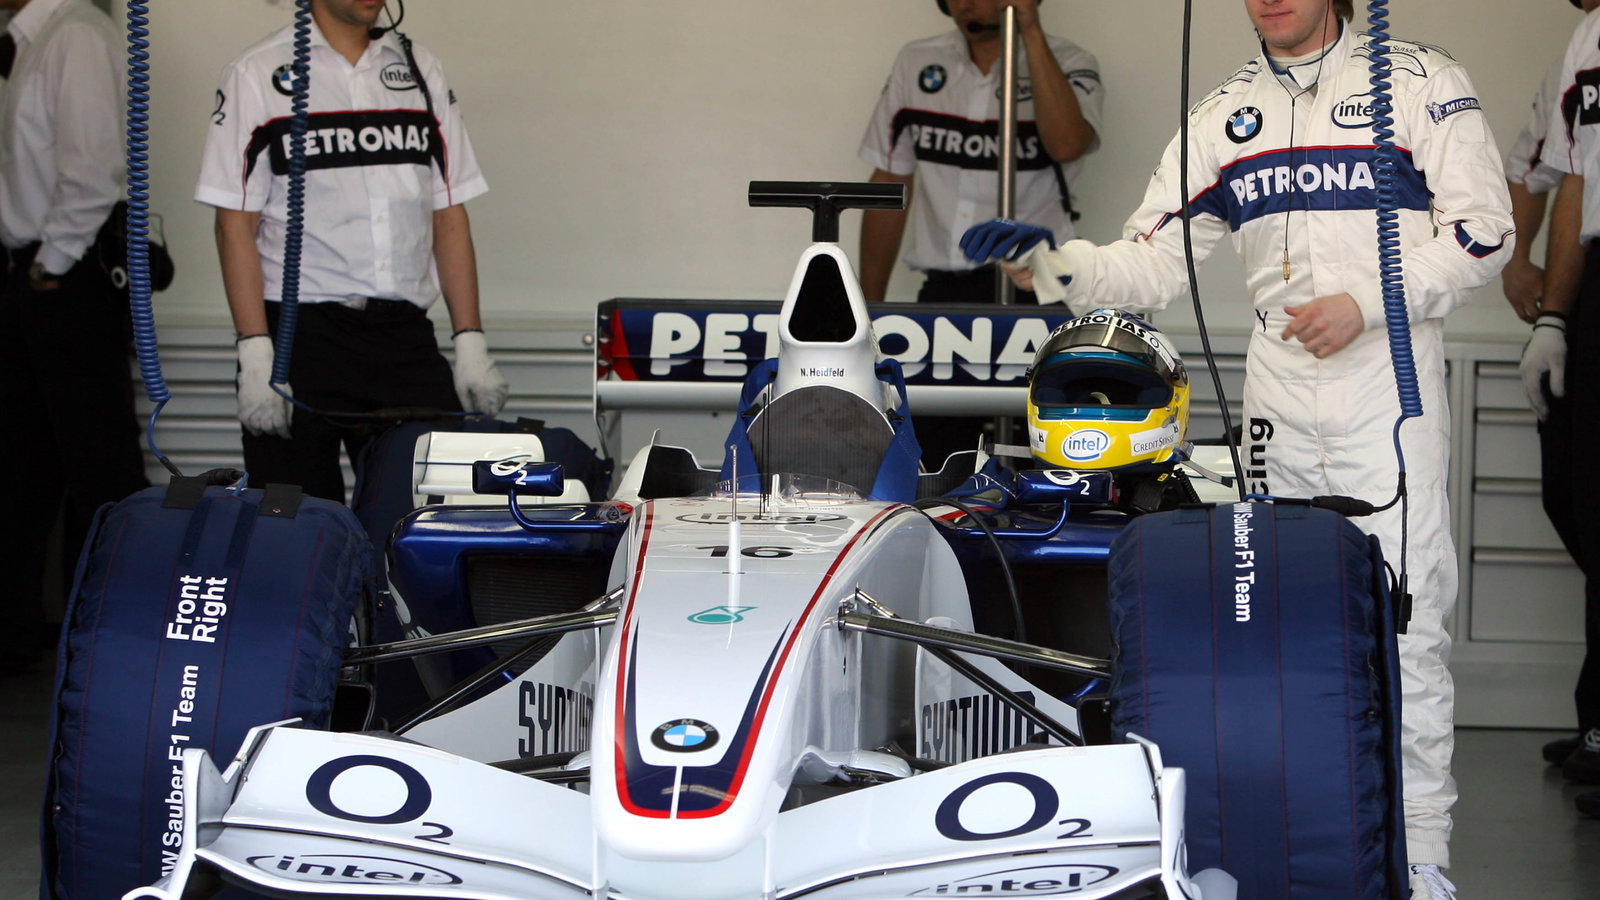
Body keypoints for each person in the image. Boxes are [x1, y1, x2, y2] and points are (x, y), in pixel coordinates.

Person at [961, 1, 1514, 896]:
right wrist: (1059, 266)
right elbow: (1151, 263)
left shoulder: (1417, 81)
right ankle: (1302, 843)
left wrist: (1368, 302)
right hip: (1276, 395)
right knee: (1285, 631)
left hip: (1388, 388)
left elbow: (1484, 229)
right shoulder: (1223, 116)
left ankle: (1421, 863)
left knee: (1406, 633)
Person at [196, 0, 507, 504]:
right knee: (290, 528)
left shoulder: (418, 68)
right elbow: (235, 224)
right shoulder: (255, 72)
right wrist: (254, 354)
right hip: (298, 339)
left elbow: (449, 212)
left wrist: (470, 343)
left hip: (402, 337)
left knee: (433, 518)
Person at [858, 0, 1103, 466]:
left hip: (1038, 289)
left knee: (1046, 450)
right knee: (932, 460)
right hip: (946, 295)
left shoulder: (1070, 63)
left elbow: (1068, 142)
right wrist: (869, 310)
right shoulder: (918, 61)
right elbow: (890, 181)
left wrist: (1029, 30)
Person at [0, 0, 149, 673]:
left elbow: (95, 168)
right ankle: (20, 632)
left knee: (97, 463)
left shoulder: (78, 35)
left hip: (66, 276)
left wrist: (49, 266)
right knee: (27, 464)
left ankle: (106, 640)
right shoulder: (29, 40)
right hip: (33, 273)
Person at [1528, 0, 1600, 817]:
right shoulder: (1586, 37)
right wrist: (1553, 315)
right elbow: (1577, 173)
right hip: (1595, 276)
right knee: (1583, 499)